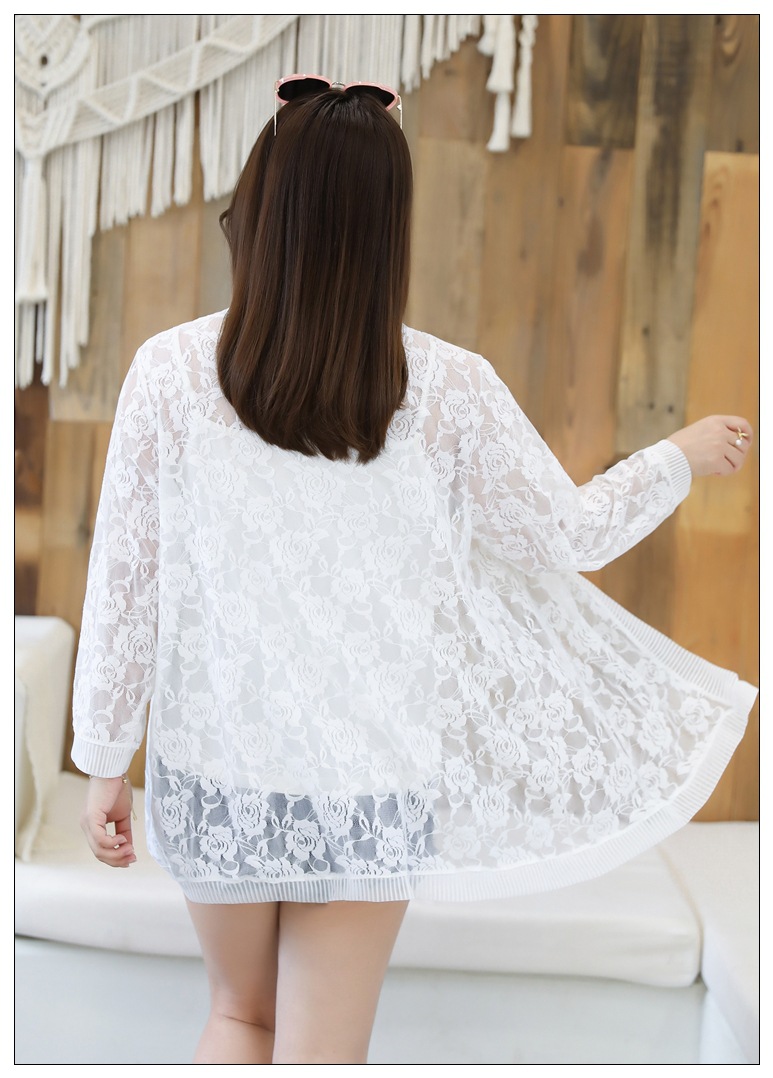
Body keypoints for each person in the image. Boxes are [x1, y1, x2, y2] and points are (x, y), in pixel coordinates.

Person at [72, 75, 757, 1065]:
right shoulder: (447, 389)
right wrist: (674, 458)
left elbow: (124, 583)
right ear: (388, 229)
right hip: (369, 780)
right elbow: (563, 535)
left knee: (238, 1017)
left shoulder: (168, 373)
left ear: (260, 205)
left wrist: (105, 761)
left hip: (218, 772)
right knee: (323, 1051)